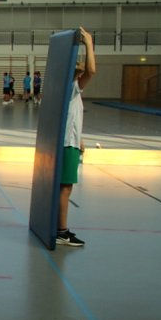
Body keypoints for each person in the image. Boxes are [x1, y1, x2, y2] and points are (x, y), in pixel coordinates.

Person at [57, 27, 96, 247]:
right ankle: (62, 231)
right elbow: (92, 71)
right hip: (66, 144)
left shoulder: (63, 89)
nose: (82, 72)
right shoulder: (71, 87)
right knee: (66, 187)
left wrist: (78, 137)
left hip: (69, 141)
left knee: (63, 186)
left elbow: (67, 118)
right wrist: (88, 43)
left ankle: (59, 228)